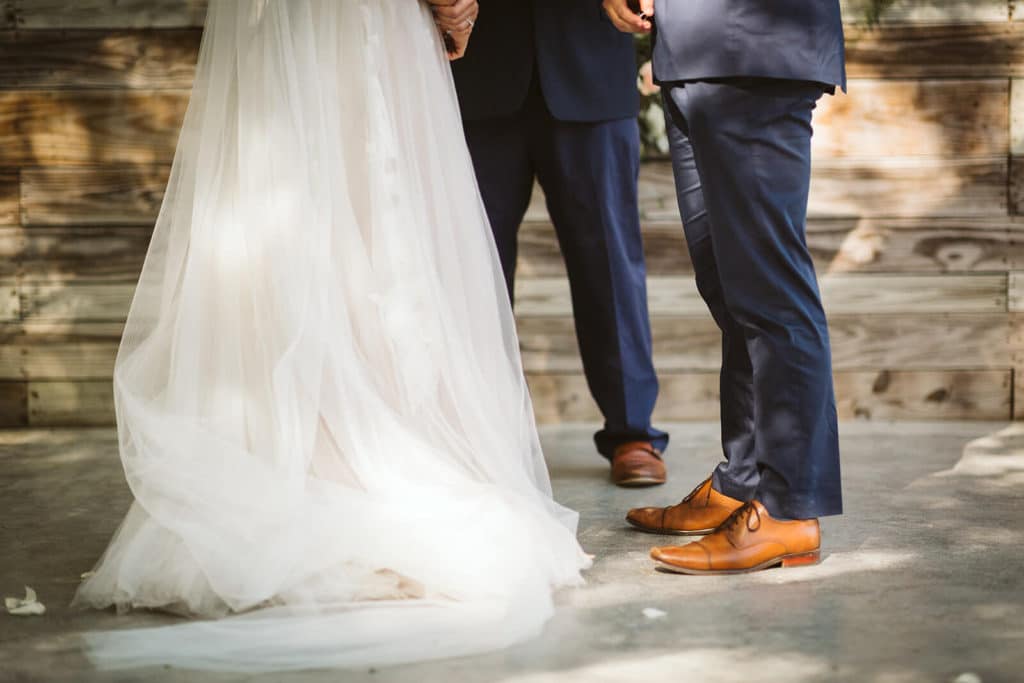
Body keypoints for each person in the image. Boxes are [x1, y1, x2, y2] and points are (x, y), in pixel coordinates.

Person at [72, 0, 589, 671]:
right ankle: (369, 448)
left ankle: (292, 446)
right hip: (367, 20)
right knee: (371, 203)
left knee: (288, 199)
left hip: (280, 24)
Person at [604, 0, 845, 574]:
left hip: (759, 45)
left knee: (772, 290)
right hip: (689, 48)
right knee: (729, 286)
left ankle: (788, 510)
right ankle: (743, 482)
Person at [446, 0, 669, 487]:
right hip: (476, 70)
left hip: (590, 63)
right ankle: (483, 430)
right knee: (473, 267)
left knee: (609, 261)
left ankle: (633, 431)